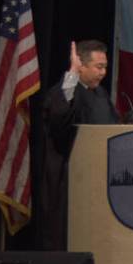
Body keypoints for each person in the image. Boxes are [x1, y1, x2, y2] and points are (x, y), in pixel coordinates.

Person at [42, 40, 119, 250]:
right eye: (99, 67)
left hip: (101, 177)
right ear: (81, 65)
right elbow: (59, 117)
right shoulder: (66, 91)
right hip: (72, 177)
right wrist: (72, 74)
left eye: (105, 67)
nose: (103, 72)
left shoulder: (100, 94)